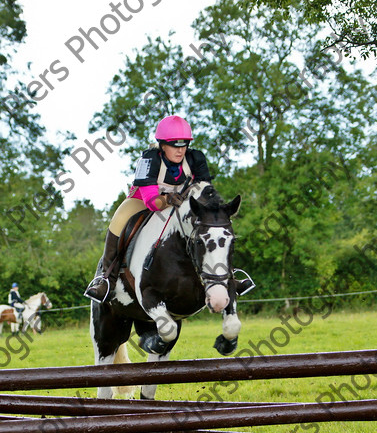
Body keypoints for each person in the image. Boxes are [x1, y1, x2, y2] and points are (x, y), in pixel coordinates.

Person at [84, 115, 255, 303]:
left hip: (183, 202)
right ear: (162, 144)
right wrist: (168, 199)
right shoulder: (150, 159)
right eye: (174, 145)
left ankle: (229, 275)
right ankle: (106, 279)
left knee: (213, 226)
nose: (180, 150)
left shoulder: (196, 158)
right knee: (119, 220)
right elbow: (151, 201)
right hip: (144, 201)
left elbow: (206, 192)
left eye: (184, 144)